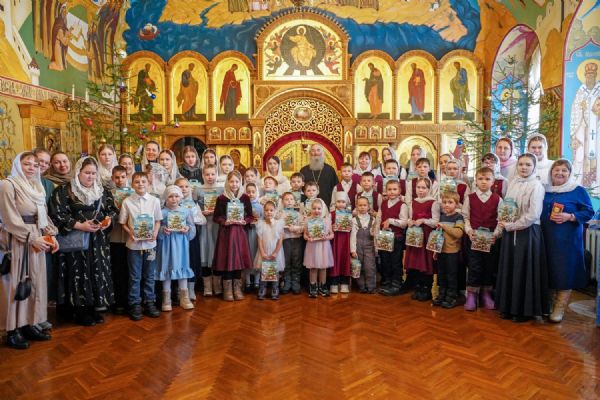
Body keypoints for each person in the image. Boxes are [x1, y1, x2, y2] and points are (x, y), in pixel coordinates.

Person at [49, 157, 118, 326]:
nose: (91, 176)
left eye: (94, 173)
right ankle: (79, 311)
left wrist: (107, 221)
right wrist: (79, 225)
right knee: (78, 272)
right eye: (87, 173)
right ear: (78, 172)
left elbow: (112, 210)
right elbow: (56, 213)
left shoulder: (102, 190)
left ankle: (93, 308)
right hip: (75, 241)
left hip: (98, 241)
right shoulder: (64, 190)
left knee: (96, 271)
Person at [0, 152, 59, 349]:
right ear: (17, 164)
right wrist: (32, 238)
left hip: (37, 238)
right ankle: (12, 330)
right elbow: (9, 219)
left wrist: (51, 235)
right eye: (27, 164)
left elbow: (42, 215)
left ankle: (28, 324)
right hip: (18, 239)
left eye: (35, 164)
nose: (32, 168)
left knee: (34, 282)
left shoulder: (36, 187)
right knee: (17, 284)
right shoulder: (7, 185)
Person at [496, 153, 548, 323]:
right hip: (510, 231)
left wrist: (512, 225)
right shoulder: (513, 183)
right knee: (511, 267)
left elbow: (533, 214)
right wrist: (503, 220)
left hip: (527, 232)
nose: (524, 167)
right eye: (521, 164)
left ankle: (523, 310)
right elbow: (507, 206)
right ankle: (508, 306)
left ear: (534, 167)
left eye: (528, 164)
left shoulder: (536, 186)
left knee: (523, 269)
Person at [541, 159, 594, 323]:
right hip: (545, 238)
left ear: (570, 173)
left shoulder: (578, 190)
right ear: (551, 172)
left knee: (564, 271)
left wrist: (570, 216)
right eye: (556, 170)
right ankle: (548, 303)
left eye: (564, 170)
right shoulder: (545, 189)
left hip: (567, 241)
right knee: (548, 269)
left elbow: (589, 211)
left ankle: (560, 307)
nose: (560, 173)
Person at [119, 171, 162, 321]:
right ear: (132, 184)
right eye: (137, 182)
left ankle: (149, 301)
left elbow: (158, 220)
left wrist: (155, 233)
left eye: (143, 181)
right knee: (135, 276)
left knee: (150, 274)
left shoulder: (155, 201)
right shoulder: (127, 202)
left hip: (150, 245)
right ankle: (135, 303)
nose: (140, 184)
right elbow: (123, 223)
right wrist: (130, 233)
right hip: (134, 246)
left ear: (148, 184)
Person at [462, 167, 503, 312]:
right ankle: (472, 295)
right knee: (474, 266)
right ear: (476, 180)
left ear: (493, 181)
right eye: (480, 179)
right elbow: (466, 217)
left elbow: (501, 220)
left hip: (491, 241)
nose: (484, 182)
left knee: (489, 266)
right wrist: (469, 231)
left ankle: (486, 293)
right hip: (474, 239)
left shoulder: (498, 199)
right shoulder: (470, 198)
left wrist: (496, 234)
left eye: (487, 179)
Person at [212, 171, 254, 301]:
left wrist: (245, 221)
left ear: (240, 182)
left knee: (238, 260)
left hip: (240, 234)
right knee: (227, 260)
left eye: (237, 181)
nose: (234, 184)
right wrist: (224, 221)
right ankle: (227, 290)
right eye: (231, 181)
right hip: (226, 234)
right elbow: (216, 217)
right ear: (227, 182)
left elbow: (250, 216)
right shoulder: (221, 198)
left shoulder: (245, 197)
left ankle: (237, 288)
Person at [157, 185, 196, 311]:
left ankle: (184, 298)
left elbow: (192, 226)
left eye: (176, 196)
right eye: (170, 196)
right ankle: (166, 299)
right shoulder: (162, 212)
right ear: (166, 198)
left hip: (181, 244)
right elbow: (156, 228)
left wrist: (187, 229)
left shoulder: (186, 211)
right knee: (166, 267)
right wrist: (163, 230)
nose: (174, 199)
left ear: (181, 197)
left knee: (182, 267)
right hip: (166, 244)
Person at [404, 177, 439, 301]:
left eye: (424, 187)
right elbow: (410, 217)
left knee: (426, 261)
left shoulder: (433, 202)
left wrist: (423, 220)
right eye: (418, 187)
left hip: (426, 236)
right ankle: (418, 287)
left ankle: (426, 289)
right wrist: (410, 221)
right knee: (415, 261)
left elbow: (436, 222)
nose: (420, 190)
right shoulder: (413, 202)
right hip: (415, 237)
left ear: (429, 189)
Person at [175, 177, 206, 300]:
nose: (184, 189)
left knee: (192, 261)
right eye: (181, 187)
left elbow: (203, 220)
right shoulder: (172, 202)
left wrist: (191, 218)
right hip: (176, 239)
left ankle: (191, 289)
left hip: (191, 238)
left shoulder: (194, 203)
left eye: (186, 186)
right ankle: (180, 290)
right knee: (178, 262)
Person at [432, 192, 464, 309]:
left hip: (452, 253)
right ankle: (442, 295)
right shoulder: (441, 217)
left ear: (457, 204)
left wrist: (444, 226)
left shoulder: (458, 218)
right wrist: (435, 250)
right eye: (444, 202)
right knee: (441, 275)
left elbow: (458, 233)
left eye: (450, 202)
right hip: (441, 251)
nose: (446, 205)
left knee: (451, 275)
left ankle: (451, 296)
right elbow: (438, 235)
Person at [570, 62, 600, 187]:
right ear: (585, 76)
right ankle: (580, 182)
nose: (590, 77)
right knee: (581, 153)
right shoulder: (581, 90)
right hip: (582, 127)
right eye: (588, 75)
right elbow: (574, 109)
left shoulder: (599, 90)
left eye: (592, 75)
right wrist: (573, 134)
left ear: (596, 75)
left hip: (597, 126)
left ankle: (596, 182)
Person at [377, 180, 408, 296]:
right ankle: (387, 281)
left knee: (395, 262)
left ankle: (396, 283)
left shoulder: (402, 205)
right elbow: (379, 219)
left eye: (395, 189)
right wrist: (376, 233)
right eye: (389, 189)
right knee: (385, 261)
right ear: (386, 191)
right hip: (384, 237)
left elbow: (404, 223)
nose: (392, 192)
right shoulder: (383, 203)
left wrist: (391, 221)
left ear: (399, 191)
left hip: (396, 238)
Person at [196, 165, 223, 297]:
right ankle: (207, 286)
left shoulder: (221, 189)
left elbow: (226, 208)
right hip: (204, 225)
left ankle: (217, 284)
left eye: (212, 174)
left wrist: (216, 211)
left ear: (217, 174)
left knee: (216, 252)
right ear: (203, 175)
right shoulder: (198, 190)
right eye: (207, 174)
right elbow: (193, 208)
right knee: (204, 252)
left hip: (217, 225)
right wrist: (201, 212)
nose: (210, 177)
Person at [109, 166, 131, 314]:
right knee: (118, 269)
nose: (120, 180)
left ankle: (130, 300)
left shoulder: (133, 193)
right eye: (117, 177)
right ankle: (118, 301)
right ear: (112, 178)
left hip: (131, 237)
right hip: (115, 237)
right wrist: (116, 210)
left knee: (130, 269)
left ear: (127, 177)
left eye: (123, 177)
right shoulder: (109, 194)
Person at [303, 198, 334, 298]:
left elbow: (332, 234)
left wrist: (326, 237)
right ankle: (313, 286)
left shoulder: (326, 220)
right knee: (313, 267)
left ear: (323, 209)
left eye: (319, 208)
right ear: (311, 209)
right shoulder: (308, 220)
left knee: (323, 267)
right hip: (312, 246)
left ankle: (322, 286)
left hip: (323, 246)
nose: (316, 210)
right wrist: (308, 238)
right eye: (314, 208)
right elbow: (305, 235)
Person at [255, 201, 285, 300]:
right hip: (264, 251)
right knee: (264, 270)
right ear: (264, 212)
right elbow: (259, 240)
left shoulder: (279, 224)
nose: (269, 212)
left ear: (275, 211)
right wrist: (262, 252)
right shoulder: (261, 224)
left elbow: (280, 240)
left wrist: (276, 252)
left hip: (275, 252)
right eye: (267, 210)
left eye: (271, 210)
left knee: (275, 270)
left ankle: (275, 289)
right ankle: (262, 288)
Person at [279, 192, 304, 295]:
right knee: (286, 262)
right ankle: (287, 282)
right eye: (286, 199)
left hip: (297, 240)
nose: (289, 201)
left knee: (296, 261)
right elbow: (276, 227)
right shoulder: (280, 214)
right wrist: (283, 227)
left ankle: (295, 282)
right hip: (285, 241)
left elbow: (303, 227)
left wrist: (296, 228)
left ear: (295, 202)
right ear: (282, 202)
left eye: (291, 199)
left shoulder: (298, 215)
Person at [351, 196, 376, 293]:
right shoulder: (354, 220)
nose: (362, 207)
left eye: (364, 205)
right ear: (357, 206)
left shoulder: (373, 219)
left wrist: (376, 248)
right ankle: (361, 286)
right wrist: (353, 250)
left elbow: (375, 235)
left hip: (370, 246)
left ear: (368, 206)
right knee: (359, 266)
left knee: (369, 266)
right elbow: (353, 236)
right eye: (360, 205)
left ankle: (371, 287)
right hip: (358, 246)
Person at [330, 191, 352, 294]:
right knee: (335, 259)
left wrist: (351, 226)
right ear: (335, 203)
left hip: (346, 240)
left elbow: (353, 228)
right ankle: (334, 283)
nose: (341, 204)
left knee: (345, 260)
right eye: (338, 202)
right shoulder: (331, 214)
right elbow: (327, 227)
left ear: (346, 203)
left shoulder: (349, 215)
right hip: (335, 241)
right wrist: (332, 227)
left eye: (343, 202)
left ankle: (344, 283)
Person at [245, 183, 263, 292]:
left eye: (253, 192)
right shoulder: (243, 205)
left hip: (257, 234)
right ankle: (247, 282)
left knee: (257, 256)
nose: (251, 194)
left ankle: (257, 281)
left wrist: (258, 222)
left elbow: (264, 220)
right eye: (248, 192)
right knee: (247, 256)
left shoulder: (260, 207)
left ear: (257, 192)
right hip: (246, 233)